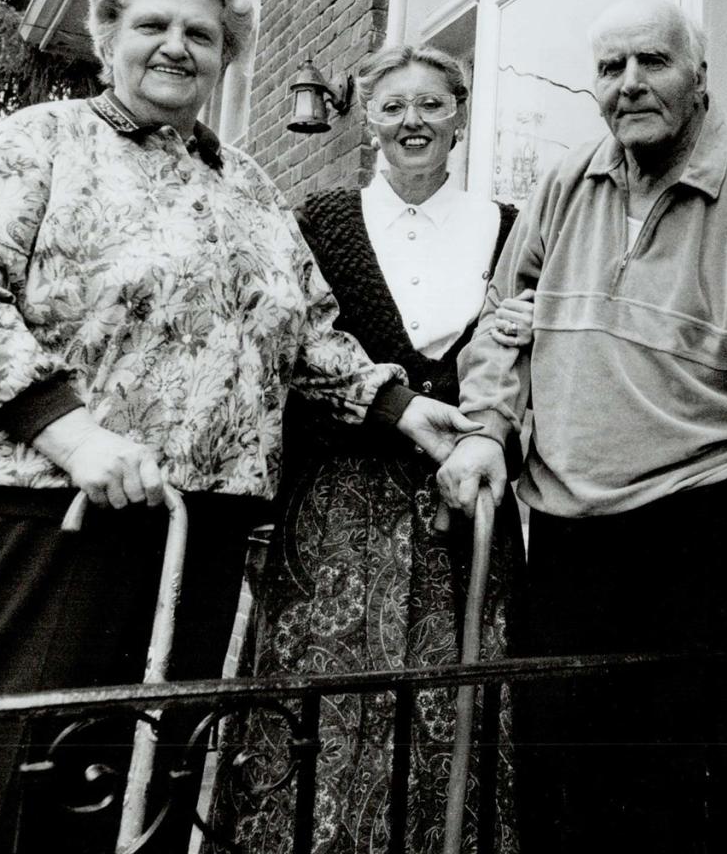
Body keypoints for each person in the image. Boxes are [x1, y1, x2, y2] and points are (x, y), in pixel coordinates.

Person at [0, 0, 476, 854]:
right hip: (45, 521)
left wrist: (404, 408)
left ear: (226, 57)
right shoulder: (41, 142)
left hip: (199, 533)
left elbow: (309, 338)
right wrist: (73, 434)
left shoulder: (246, 186)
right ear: (110, 33)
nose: (177, 47)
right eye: (153, 25)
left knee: (150, 787)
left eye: (201, 34)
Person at [440, 0, 727, 852]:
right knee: (566, 785)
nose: (630, 84)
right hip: (564, 537)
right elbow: (498, 326)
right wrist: (486, 427)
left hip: (701, 531)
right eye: (609, 68)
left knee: (697, 797)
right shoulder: (566, 183)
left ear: (699, 78)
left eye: (653, 63)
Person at [223, 43, 530, 854]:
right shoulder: (318, 222)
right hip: (337, 511)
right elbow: (292, 362)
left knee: (453, 698)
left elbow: (528, 366)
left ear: (460, 114)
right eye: (392, 106)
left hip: (468, 507)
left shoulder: (510, 228)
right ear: (366, 121)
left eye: (432, 103)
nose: (412, 122)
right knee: (327, 699)